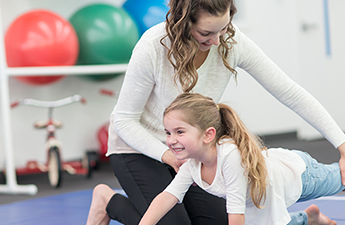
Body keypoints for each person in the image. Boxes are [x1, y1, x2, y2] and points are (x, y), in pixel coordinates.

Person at [101, 0, 345, 224]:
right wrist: (168, 156)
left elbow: (289, 92)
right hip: (136, 147)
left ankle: (305, 220)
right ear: (183, 23)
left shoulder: (231, 41)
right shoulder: (153, 46)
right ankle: (106, 200)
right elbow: (124, 120)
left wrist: (342, 145)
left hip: (191, 148)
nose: (217, 40)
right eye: (206, 33)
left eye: (224, 28)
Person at [88, 93, 342, 225]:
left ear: (208, 135)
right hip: (267, 199)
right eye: (167, 133)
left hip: (301, 175)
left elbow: (236, 215)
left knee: (342, 178)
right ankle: (311, 219)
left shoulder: (229, 157)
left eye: (179, 132)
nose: (171, 140)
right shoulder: (193, 163)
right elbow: (168, 197)